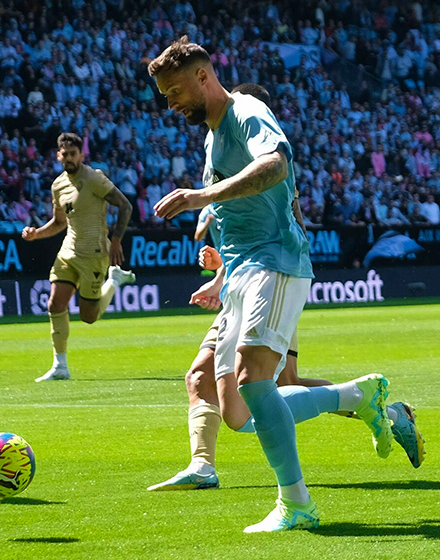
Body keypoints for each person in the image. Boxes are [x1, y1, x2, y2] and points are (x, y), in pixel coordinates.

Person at [147, 37, 394, 533]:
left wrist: (202, 196)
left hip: (274, 260)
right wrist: (217, 261)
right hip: (241, 272)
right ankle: (356, 397)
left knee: (256, 380)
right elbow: (220, 206)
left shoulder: (246, 110)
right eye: (163, 94)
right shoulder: (212, 136)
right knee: (239, 412)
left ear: (202, 76)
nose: (168, 103)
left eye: (173, 90)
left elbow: (275, 165)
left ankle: (297, 503)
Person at [22, 132, 134, 382]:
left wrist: (115, 240)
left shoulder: (94, 178)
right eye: (65, 154)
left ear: (81, 155)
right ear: (58, 156)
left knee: (88, 317)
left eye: (73, 154)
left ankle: (114, 280)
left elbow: (125, 205)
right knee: (54, 305)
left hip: (94, 254)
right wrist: (36, 234)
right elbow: (59, 222)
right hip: (68, 251)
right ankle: (60, 366)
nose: (69, 158)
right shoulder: (58, 185)